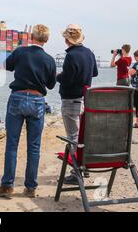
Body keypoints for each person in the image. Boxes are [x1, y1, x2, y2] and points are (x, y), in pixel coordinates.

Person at [0, 24, 56, 199]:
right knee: (34, 147)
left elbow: (6, 65)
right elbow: (50, 85)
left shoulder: (20, 52)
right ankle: (30, 188)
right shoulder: (50, 60)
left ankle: (7, 187)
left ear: (31, 37)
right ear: (47, 40)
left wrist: (18, 52)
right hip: (37, 101)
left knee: (12, 144)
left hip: (18, 98)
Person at [56, 24, 98, 185]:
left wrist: (57, 76)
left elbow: (67, 78)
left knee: (73, 137)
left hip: (70, 99)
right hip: (84, 99)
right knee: (82, 135)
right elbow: (95, 73)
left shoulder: (71, 56)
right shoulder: (89, 53)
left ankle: (77, 172)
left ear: (67, 40)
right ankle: (84, 166)